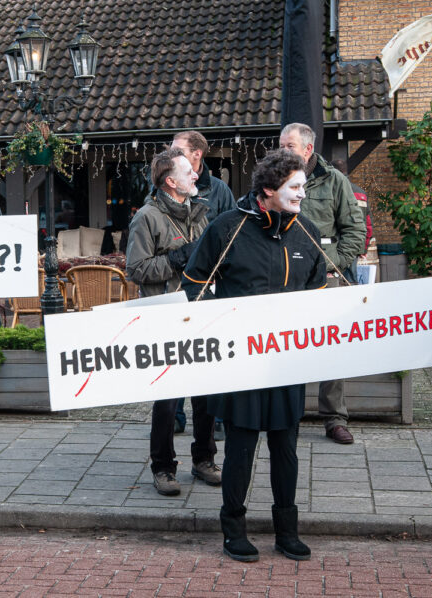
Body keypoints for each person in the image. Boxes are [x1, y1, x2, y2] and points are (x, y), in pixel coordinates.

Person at [182, 149, 324, 562]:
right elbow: (194, 284)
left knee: (286, 449)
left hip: (286, 362)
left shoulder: (308, 233)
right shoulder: (227, 229)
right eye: (294, 187)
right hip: (241, 363)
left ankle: (287, 531)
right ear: (268, 190)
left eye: (303, 186)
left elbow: (316, 296)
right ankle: (234, 530)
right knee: (241, 450)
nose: (302, 193)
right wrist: (219, 330)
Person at [126, 148, 221, 496]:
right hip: (165, 316)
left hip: (199, 313)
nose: (196, 175)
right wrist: (178, 259)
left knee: (206, 393)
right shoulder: (147, 218)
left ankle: (203, 460)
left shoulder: (200, 213)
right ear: (170, 181)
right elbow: (135, 270)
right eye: (188, 172)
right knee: (167, 397)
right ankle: (163, 467)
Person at [279, 123, 366, 445]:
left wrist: (333, 264)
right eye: (281, 145)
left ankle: (334, 418)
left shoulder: (335, 181)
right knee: (284, 346)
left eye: (289, 146)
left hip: (326, 280)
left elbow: (355, 231)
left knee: (331, 347)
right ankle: (286, 414)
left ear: (307, 150)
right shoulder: (274, 182)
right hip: (286, 278)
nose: (283, 151)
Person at [169, 131, 235, 440]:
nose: (171, 154)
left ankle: (216, 418)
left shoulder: (219, 190)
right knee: (178, 350)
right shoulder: (166, 185)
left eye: (177, 150)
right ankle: (176, 415)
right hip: (177, 283)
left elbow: (233, 233)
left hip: (211, 284)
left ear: (196, 155)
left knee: (211, 352)